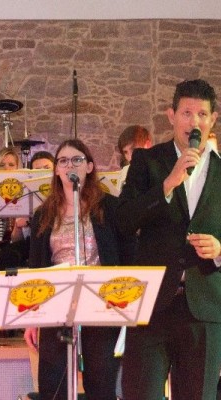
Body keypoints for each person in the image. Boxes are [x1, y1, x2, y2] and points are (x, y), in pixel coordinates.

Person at [117, 79, 221, 400]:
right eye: (187, 113)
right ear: (171, 116)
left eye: (202, 114)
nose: (194, 122)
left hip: (204, 308)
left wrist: (220, 249)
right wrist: (167, 184)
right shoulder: (147, 162)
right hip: (152, 305)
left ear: (213, 119)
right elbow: (124, 221)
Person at [24, 139, 135, 400]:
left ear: (89, 167)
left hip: (101, 302)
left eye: (77, 160)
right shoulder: (43, 214)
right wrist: (31, 317)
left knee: (101, 381)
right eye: (63, 161)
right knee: (54, 382)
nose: (69, 166)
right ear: (56, 170)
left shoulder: (110, 207)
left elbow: (128, 253)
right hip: (57, 302)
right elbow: (36, 266)